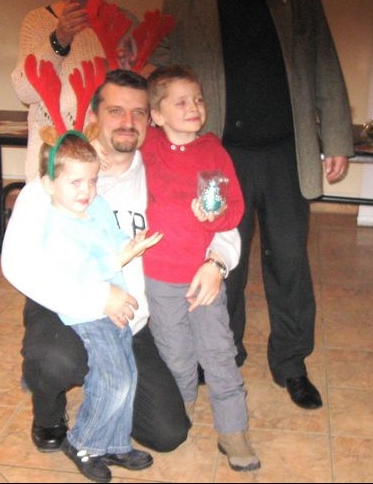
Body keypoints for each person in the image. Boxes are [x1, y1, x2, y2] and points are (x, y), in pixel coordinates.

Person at [151, 0, 354, 411]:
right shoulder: (179, 8)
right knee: (224, 263)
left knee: (289, 260)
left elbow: (324, 62)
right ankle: (223, 352)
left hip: (287, 153)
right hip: (220, 160)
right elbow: (159, 78)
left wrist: (336, 138)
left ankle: (291, 363)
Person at [1, 70, 241, 456]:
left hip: (131, 320)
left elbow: (219, 218)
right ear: (94, 115)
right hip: (66, 307)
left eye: (138, 113)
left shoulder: (161, 167)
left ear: (152, 119)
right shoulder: (64, 171)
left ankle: (108, 392)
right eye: (116, 110)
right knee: (56, 360)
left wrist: (218, 261)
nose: (128, 122)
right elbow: (17, 263)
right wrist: (97, 297)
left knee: (167, 432)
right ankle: (48, 408)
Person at [141, 66, 259, 472]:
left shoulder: (212, 152)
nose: (193, 107)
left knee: (219, 353)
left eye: (198, 99)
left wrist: (215, 215)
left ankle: (233, 430)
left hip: (203, 278)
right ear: (157, 114)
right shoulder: (146, 145)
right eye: (181, 102)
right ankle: (181, 412)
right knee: (175, 355)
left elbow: (232, 208)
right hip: (158, 278)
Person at [31, 128, 160, 482]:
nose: (86, 191)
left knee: (128, 375)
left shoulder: (97, 206)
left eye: (91, 181)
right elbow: (81, 272)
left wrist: (128, 243)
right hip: (87, 312)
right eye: (75, 182)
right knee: (112, 379)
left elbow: (112, 236)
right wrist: (121, 258)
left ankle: (114, 442)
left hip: (112, 305)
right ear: (49, 185)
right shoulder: (56, 226)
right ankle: (83, 442)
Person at [12, 0, 136, 183]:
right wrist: (59, 39)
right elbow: (25, 91)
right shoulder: (38, 21)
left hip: (110, 157)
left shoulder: (125, 23)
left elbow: (137, 96)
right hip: (54, 156)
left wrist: (130, 69)